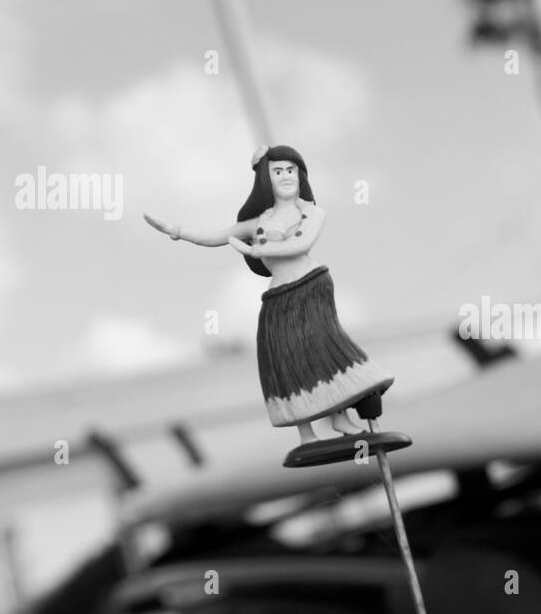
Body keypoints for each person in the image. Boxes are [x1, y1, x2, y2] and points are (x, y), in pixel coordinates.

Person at [144, 144, 393, 445]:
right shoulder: (257, 222)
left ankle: (341, 415)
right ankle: (306, 432)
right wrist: (178, 231)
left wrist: (263, 249)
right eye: (278, 171)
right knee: (289, 360)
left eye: (291, 170)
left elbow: (300, 244)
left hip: (311, 288)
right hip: (278, 299)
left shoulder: (311, 211)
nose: (286, 176)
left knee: (323, 349)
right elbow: (216, 237)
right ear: (265, 178)